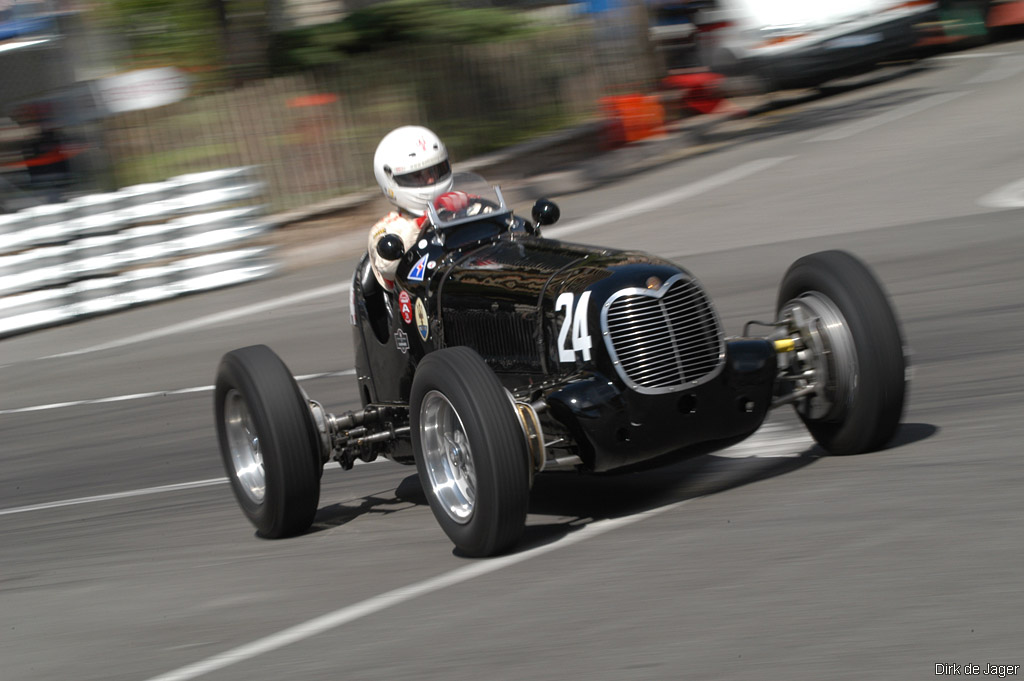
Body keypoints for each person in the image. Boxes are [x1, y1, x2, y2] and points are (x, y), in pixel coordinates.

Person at [368, 125, 470, 290]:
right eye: (417, 176)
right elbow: (388, 268)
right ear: (390, 180)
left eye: (435, 171)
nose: (430, 181)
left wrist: (477, 207)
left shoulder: (461, 205)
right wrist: (425, 220)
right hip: (424, 299)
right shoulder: (386, 228)